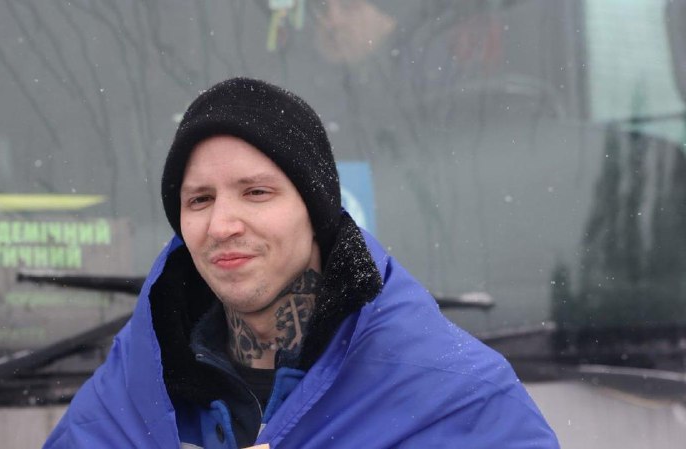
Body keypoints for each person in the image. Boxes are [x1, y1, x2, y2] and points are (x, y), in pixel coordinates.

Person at [43, 77, 559, 449]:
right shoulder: (128, 393)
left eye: (256, 192)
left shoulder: (457, 395)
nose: (221, 225)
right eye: (199, 200)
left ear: (316, 211)